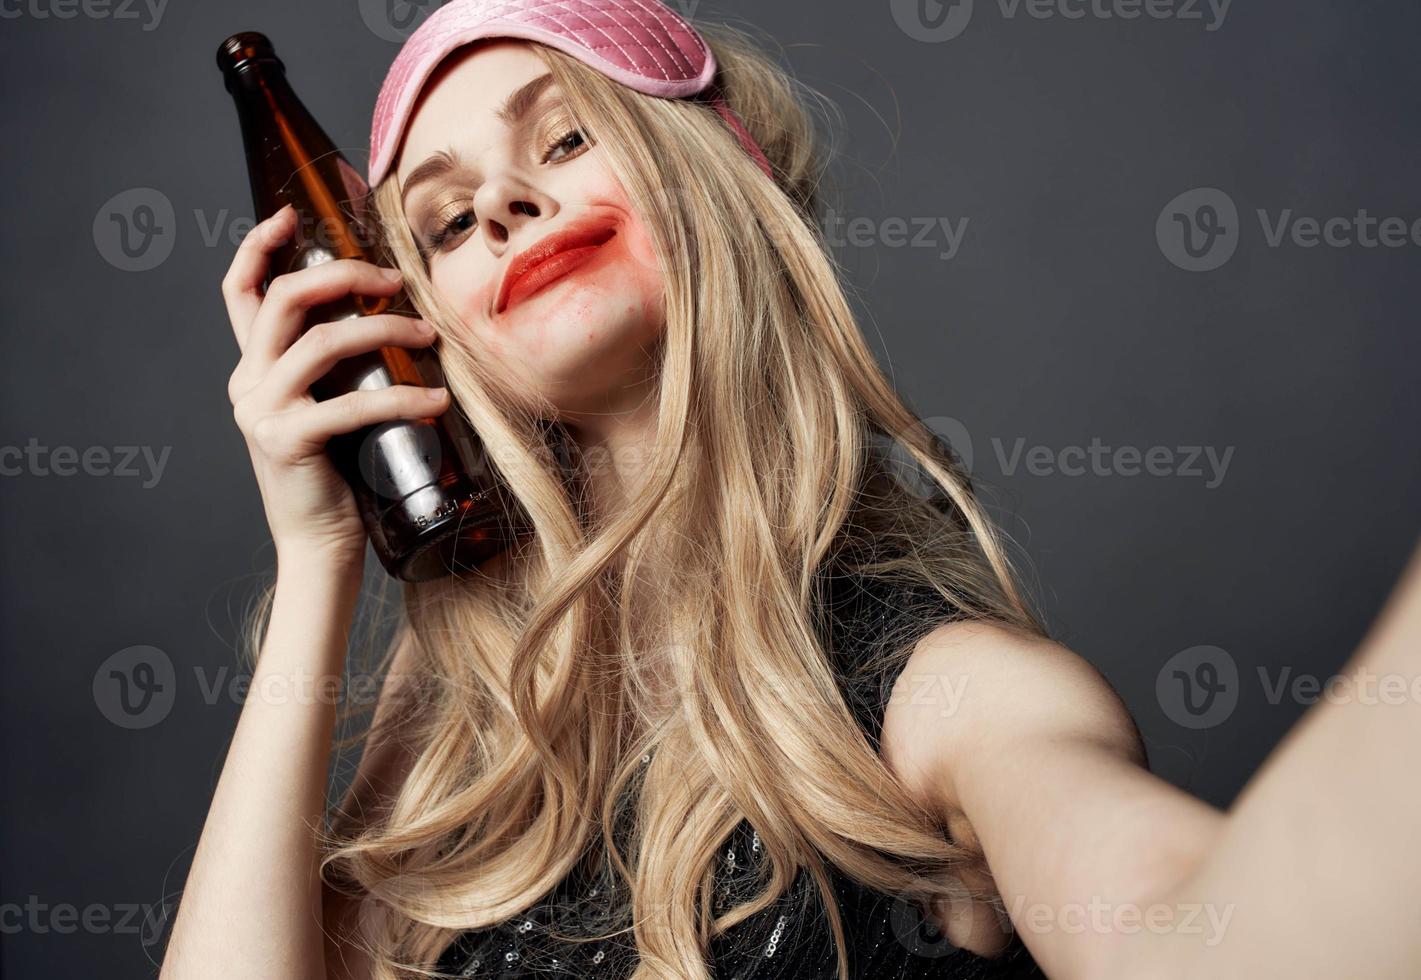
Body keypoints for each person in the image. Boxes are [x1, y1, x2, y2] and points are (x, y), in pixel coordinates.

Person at [161, 2, 1421, 978]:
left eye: (566, 135)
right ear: (423, 335)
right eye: (439, 222)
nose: (500, 199)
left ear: (714, 177)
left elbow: (1206, 936)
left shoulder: (954, 700)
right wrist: (323, 549)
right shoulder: (457, 753)